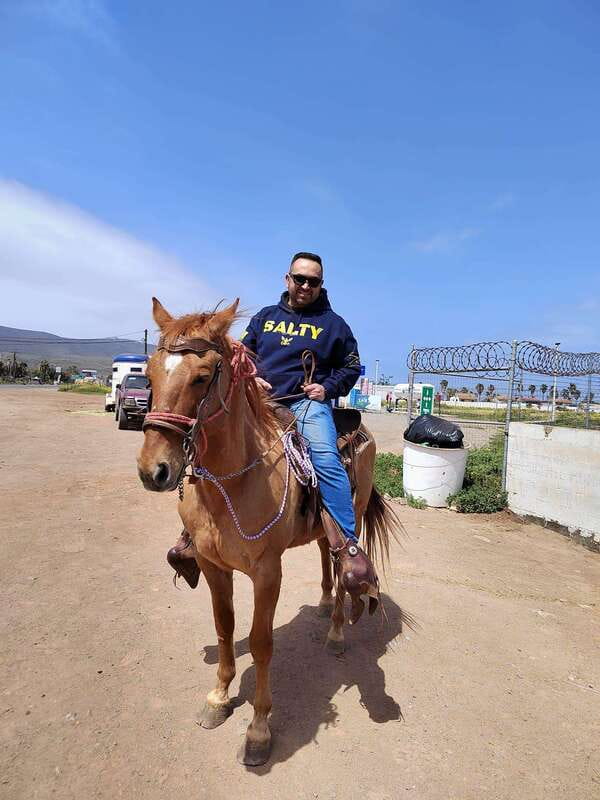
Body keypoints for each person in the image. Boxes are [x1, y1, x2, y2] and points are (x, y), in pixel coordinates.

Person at [240, 251, 362, 545]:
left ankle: (348, 547)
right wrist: (250, 377)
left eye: (313, 281)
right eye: (300, 279)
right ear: (287, 279)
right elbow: (242, 355)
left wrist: (326, 389)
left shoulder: (334, 325)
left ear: (321, 285)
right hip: (258, 400)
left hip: (305, 405)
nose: (306, 286)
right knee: (213, 438)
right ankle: (194, 532)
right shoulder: (264, 317)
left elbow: (351, 367)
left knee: (326, 460)